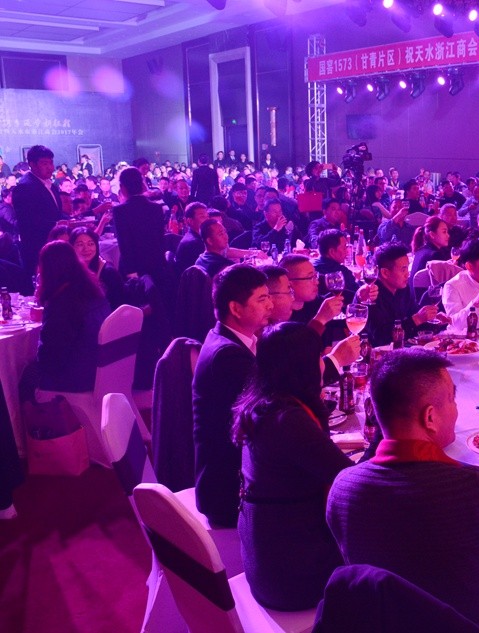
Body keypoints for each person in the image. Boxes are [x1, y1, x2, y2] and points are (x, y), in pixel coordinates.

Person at [326, 349, 479, 633]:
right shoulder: (473, 487)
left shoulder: (342, 490)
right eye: (452, 399)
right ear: (430, 417)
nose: (456, 410)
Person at [232, 322, 353, 611]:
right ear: (303, 367)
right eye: (318, 357)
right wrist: (386, 432)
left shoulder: (261, 404)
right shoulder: (288, 420)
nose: (323, 364)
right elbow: (351, 480)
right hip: (291, 579)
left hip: (265, 559)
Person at [193, 264, 273, 528]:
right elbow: (269, 411)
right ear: (236, 308)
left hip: (230, 477)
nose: (270, 305)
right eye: (262, 299)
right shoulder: (228, 356)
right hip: (229, 494)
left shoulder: (228, 338)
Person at [34, 241, 111, 392]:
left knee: (23, 375)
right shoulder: (94, 292)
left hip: (78, 377)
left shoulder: (62, 304)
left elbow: (49, 355)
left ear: (47, 269)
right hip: (100, 367)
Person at [365, 243, 444, 346]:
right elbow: (381, 338)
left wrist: (433, 321)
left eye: (407, 268)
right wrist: (417, 319)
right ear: (385, 273)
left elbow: (414, 327)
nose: (408, 274)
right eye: (403, 269)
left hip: (405, 349)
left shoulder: (403, 289)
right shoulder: (370, 295)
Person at [12, 145, 63, 275]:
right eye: (44, 163)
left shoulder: (50, 185)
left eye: (51, 163)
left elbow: (57, 215)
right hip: (38, 251)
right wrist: (57, 225)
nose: (50, 167)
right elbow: (27, 223)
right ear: (32, 164)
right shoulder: (25, 187)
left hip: (55, 246)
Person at [111, 167, 166, 281]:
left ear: (122, 188)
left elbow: (124, 243)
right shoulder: (156, 208)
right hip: (156, 264)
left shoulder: (119, 210)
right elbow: (160, 239)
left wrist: (130, 271)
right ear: (142, 186)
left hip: (133, 266)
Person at [69, 227, 124, 309]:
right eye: (80, 244)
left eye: (91, 244)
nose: (86, 249)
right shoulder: (69, 270)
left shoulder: (108, 272)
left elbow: (119, 305)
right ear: (72, 247)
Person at [409, 216, 451, 291]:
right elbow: (442, 285)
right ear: (432, 235)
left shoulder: (420, 250)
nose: (448, 235)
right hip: (426, 297)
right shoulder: (434, 255)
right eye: (444, 232)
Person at [175, 202, 210, 272]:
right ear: (190, 221)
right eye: (202, 217)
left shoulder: (198, 237)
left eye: (207, 216)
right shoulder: (194, 243)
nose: (208, 220)